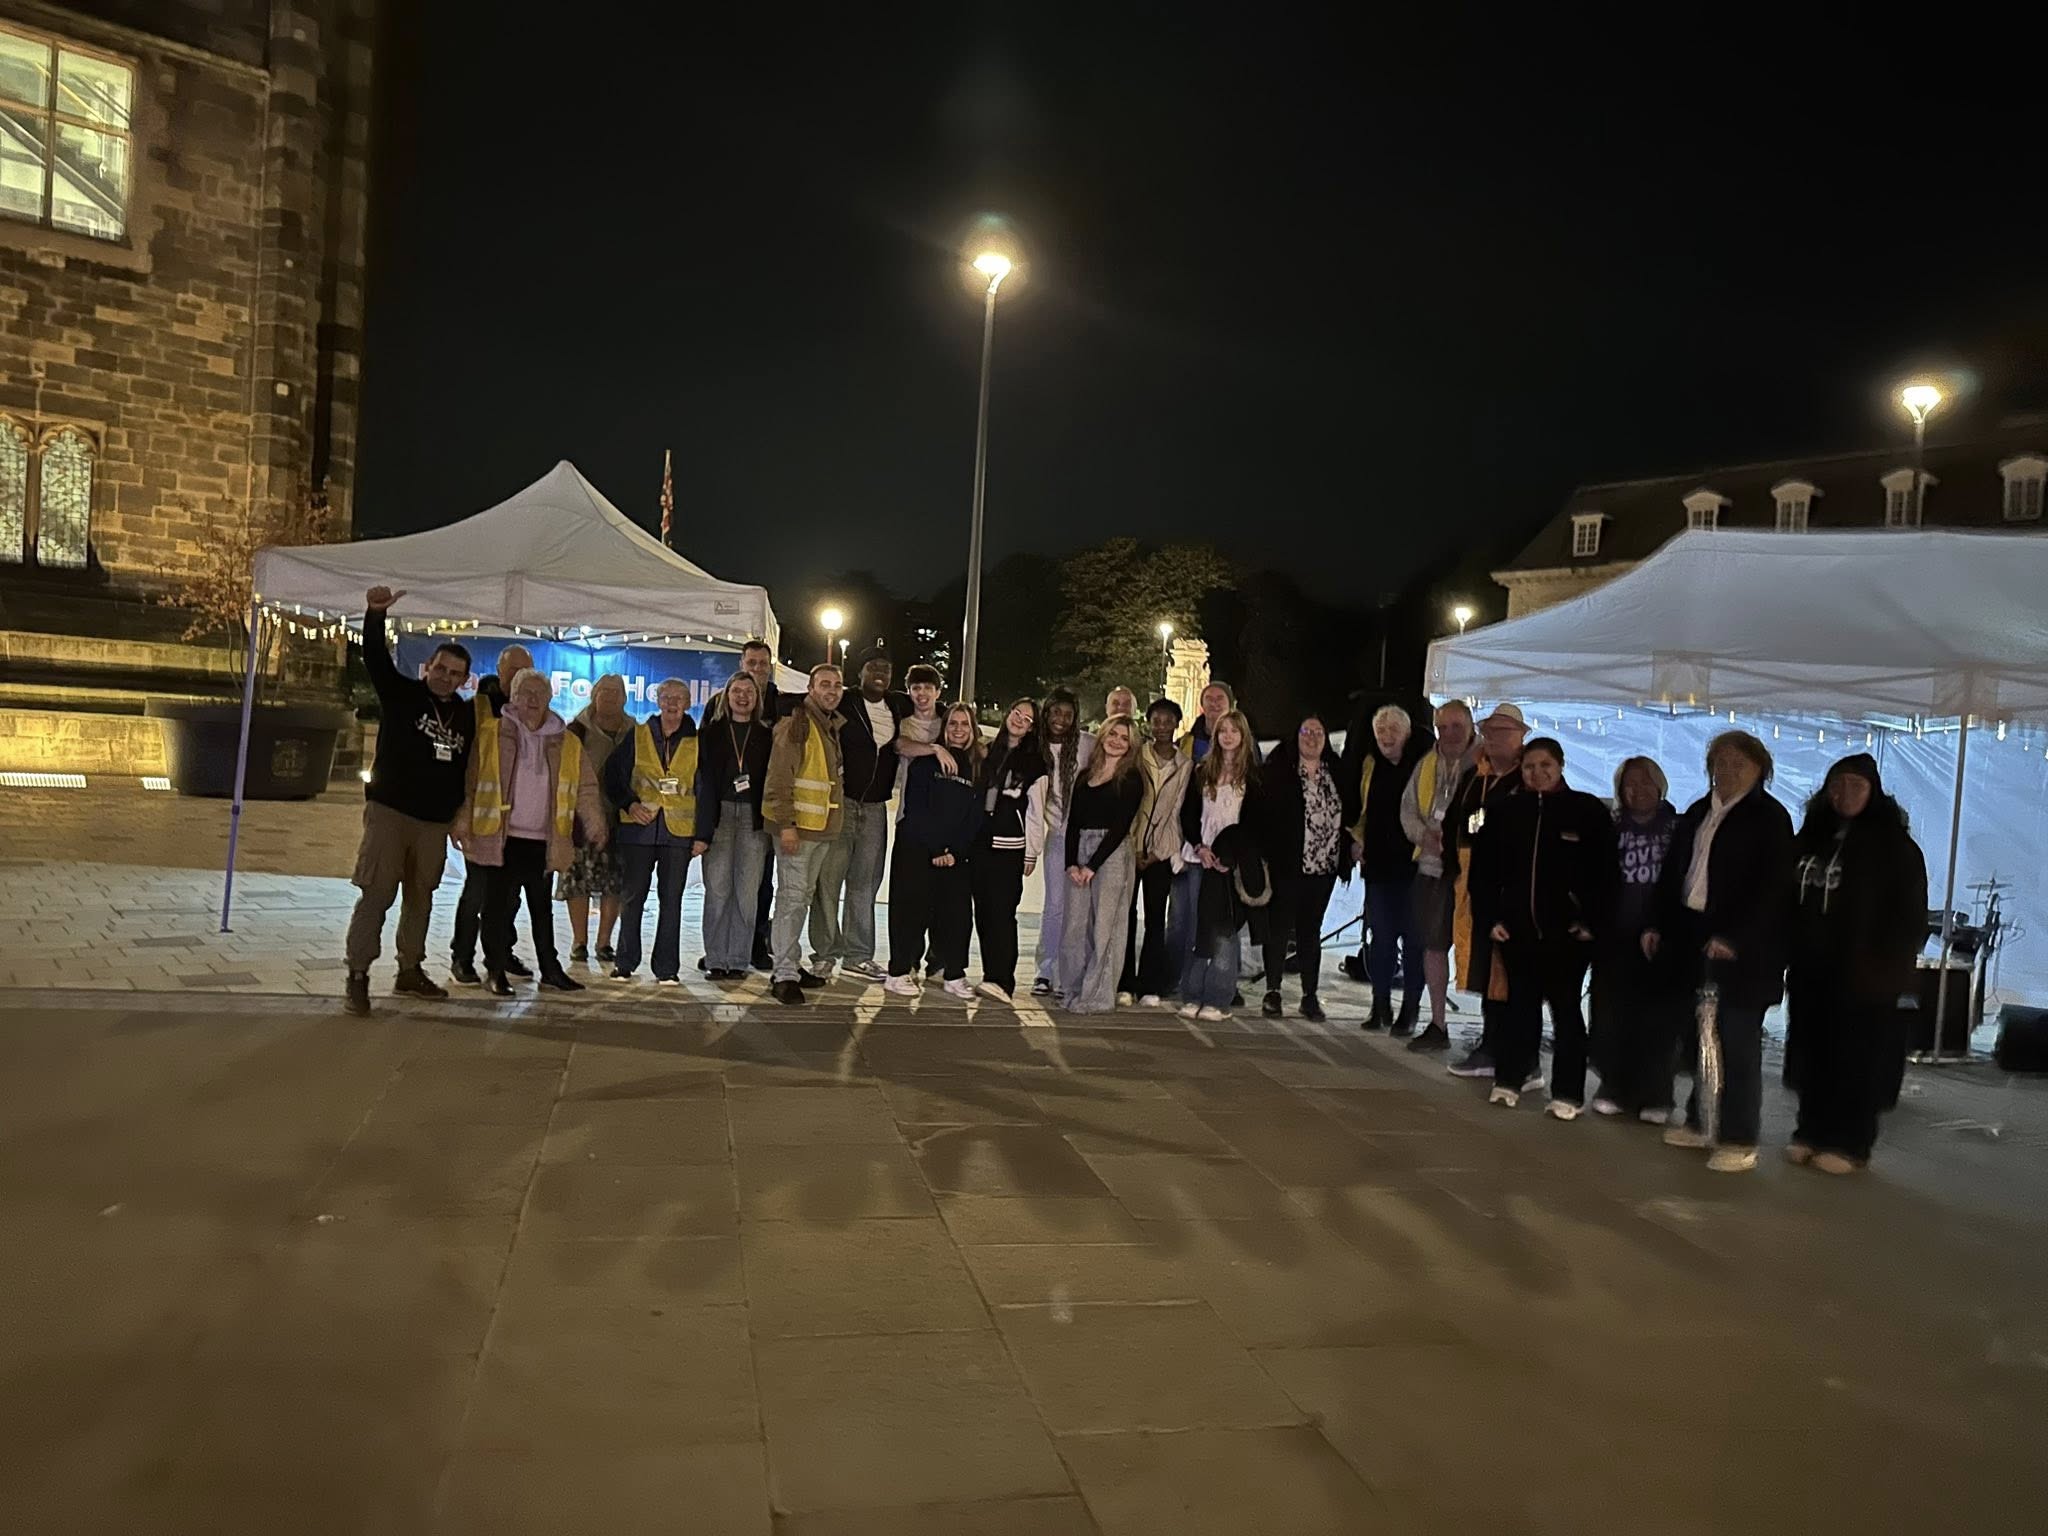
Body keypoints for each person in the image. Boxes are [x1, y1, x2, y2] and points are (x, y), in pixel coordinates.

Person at [1644, 730, 1795, 1174]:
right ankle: (1700, 1120)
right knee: (1700, 1039)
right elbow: (1675, 874)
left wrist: (1736, 937)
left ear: (1759, 769)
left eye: (1738, 764)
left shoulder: (1769, 818)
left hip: (1746, 952)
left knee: (1737, 1039)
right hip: (1694, 935)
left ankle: (1739, 1135)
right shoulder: (1697, 812)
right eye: (1720, 762)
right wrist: (1657, 922)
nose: (1727, 771)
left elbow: (1772, 891)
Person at [1784, 753, 1928, 1174]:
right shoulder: (1811, 837)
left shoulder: (1896, 849)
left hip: (1865, 979)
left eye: (1855, 786)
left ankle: (1850, 1142)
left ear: (1873, 792)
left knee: (1856, 1060)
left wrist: (1884, 965)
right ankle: (1809, 1131)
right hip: (1812, 971)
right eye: (1837, 785)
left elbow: (1910, 917)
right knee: (1812, 1054)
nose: (1844, 794)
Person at [342, 586, 475, 1017]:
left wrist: (461, 814)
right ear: (428, 666)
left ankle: (410, 970)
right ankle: (358, 974)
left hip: (433, 824)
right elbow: (375, 658)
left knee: (421, 897)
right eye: (441, 668)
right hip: (390, 814)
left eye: (456, 674)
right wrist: (375, 613)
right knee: (377, 894)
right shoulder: (401, 694)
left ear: (464, 680)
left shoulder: (466, 715)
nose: (446, 677)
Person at [1471, 737, 1615, 1113]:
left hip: (1566, 936)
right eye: (1530, 766)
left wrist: (1590, 922)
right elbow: (1483, 873)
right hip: (1516, 931)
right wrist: (1491, 919)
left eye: (1545, 766)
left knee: (1567, 1012)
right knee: (1519, 1008)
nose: (1538, 773)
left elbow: (1606, 873)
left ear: (1561, 766)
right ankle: (1509, 1079)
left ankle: (1568, 1093)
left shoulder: (1586, 811)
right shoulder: (1504, 811)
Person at [453, 666, 606, 996]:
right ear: (513, 697)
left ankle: (550, 969)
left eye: (541, 694)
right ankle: (495, 970)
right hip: (500, 836)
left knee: (542, 908)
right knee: (497, 907)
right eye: (526, 693)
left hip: (545, 839)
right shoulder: (492, 733)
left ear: (551, 698)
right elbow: (471, 781)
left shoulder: (567, 741)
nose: (533, 700)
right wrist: (463, 818)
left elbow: (586, 788)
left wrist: (594, 820)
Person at [1588, 757, 1681, 1121]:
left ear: (1660, 786)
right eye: (1629, 784)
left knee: (1658, 1019)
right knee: (1613, 1016)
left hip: (1662, 939)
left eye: (1645, 783)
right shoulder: (1609, 828)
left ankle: (1657, 1094)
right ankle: (1615, 1085)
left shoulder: (1678, 828)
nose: (1637, 790)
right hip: (1616, 936)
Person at [807, 650, 907, 982]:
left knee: (865, 885)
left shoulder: (897, 705)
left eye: (886, 669)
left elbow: (932, 710)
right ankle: (823, 953)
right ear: (860, 673)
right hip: (843, 804)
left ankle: (858, 955)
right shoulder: (846, 701)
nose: (880, 673)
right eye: (873, 668)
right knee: (828, 882)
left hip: (876, 808)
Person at [1442, 701, 1529, 1082]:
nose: (1494, 738)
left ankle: (1508, 1050)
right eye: (1490, 731)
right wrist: (1450, 861)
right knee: (1482, 965)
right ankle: (1495, 1043)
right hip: (1473, 884)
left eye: (1503, 732)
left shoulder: (1527, 777)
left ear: (1520, 736)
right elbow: (1454, 822)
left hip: (1514, 888)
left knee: (1506, 968)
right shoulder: (1474, 775)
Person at [1256, 714, 1353, 1024]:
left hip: (1323, 866)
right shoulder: (1280, 770)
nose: (1312, 737)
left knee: (1311, 931)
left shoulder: (1335, 771)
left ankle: (1310, 996)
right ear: (1295, 736)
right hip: (1288, 864)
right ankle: (1273, 991)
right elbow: (1266, 815)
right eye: (1306, 731)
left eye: (1318, 732)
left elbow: (1349, 813)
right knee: (1280, 928)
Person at [887, 703, 987, 999]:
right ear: (944, 729)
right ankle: (899, 972)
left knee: (957, 916)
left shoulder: (977, 768)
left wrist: (954, 851)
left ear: (973, 729)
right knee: (911, 913)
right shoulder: (926, 762)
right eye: (953, 724)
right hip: (917, 848)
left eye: (964, 724)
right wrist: (935, 847)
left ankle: (953, 974)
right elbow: (916, 809)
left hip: (955, 856)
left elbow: (975, 816)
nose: (958, 729)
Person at [449, 640, 534, 986]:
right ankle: (462, 956)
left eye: (524, 672)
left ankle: (500, 952)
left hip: (518, 825)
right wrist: (461, 814)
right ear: (499, 672)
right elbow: (461, 767)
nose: (518, 678)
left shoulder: (532, 712)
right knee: (478, 892)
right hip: (483, 820)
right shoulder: (476, 710)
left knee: (509, 896)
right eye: (512, 671)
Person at [604, 678, 699, 986]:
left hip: (678, 834)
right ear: (657, 701)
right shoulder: (639, 735)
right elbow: (612, 776)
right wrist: (629, 805)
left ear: (687, 703)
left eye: (679, 698)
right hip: (639, 832)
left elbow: (705, 790)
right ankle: (625, 962)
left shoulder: (697, 741)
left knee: (672, 902)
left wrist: (703, 834)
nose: (672, 703)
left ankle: (667, 969)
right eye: (666, 697)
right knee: (632, 899)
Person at [1344, 703, 1431, 1033]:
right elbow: (1364, 809)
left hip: (1414, 868)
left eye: (1393, 729)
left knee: (1414, 941)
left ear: (1407, 733)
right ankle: (1379, 1006)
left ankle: (1409, 1011)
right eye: (1381, 730)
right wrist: (1358, 838)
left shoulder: (1423, 765)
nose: (1386, 736)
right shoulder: (1371, 764)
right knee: (1380, 939)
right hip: (1379, 868)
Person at [763, 664, 847, 1005]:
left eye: (837, 685)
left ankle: (790, 966)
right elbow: (779, 776)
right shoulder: (798, 723)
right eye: (824, 684)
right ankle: (783, 973)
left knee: (801, 897)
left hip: (819, 830)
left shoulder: (827, 725)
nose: (832, 690)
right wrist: (786, 825)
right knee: (791, 899)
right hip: (798, 829)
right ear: (810, 688)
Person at [1397, 700, 1475, 1052]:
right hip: (1431, 868)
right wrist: (1422, 835)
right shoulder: (1427, 764)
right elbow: (1408, 809)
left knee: (1480, 950)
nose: (1449, 734)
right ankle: (1438, 1021)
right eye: (1443, 727)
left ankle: (1493, 1031)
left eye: (1457, 726)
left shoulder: (1484, 764)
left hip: (1473, 871)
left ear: (1471, 727)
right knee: (1433, 944)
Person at [1059, 714, 1146, 1013]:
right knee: (1074, 926)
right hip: (1081, 848)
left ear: (1131, 745)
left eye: (1124, 738)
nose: (1117, 741)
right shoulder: (1086, 775)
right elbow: (1073, 823)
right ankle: (1073, 988)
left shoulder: (1132, 778)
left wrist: (1092, 866)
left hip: (1111, 855)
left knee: (1106, 928)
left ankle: (1097, 996)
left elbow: (1121, 826)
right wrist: (1072, 863)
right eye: (1113, 734)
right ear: (1103, 735)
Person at [691, 672, 774, 980]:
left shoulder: (767, 735)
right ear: (726, 696)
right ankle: (715, 958)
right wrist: (701, 828)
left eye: (748, 691)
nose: (742, 696)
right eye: (736, 691)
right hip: (720, 817)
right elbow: (701, 782)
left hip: (754, 820)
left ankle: (738, 960)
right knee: (717, 892)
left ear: (757, 698)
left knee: (747, 893)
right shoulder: (710, 733)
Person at [1178, 709, 1259, 1020]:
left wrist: (1232, 857)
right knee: (1199, 924)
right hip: (1202, 857)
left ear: (1243, 736)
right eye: (1223, 730)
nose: (1228, 735)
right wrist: (1200, 847)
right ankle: (1192, 991)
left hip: (1231, 862)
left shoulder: (1251, 777)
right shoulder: (1202, 772)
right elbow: (1188, 814)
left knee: (1225, 928)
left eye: (1234, 731)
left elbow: (1253, 823)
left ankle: (1220, 996)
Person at [971, 698, 1046, 1002]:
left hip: (1009, 846)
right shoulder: (988, 751)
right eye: (1017, 713)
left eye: (1027, 719)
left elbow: (1036, 809)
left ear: (1032, 729)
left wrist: (1032, 850)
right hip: (980, 843)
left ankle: (1003, 979)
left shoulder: (1035, 763)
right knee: (984, 912)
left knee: (1002, 913)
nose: (1019, 720)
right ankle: (990, 974)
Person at [557, 674, 631, 968]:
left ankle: (604, 942)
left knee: (615, 883)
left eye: (616, 693)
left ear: (625, 698)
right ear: (594, 695)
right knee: (579, 882)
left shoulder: (635, 732)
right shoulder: (575, 730)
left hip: (621, 820)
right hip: (580, 820)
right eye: (605, 692)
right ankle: (579, 942)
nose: (610, 698)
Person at [1026, 688, 1095, 997]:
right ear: (1047, 713)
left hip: (1083, 834)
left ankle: (1070, 969)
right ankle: (1046, 969)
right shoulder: (1034, 747)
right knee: (1055, 905)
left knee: (1079, 906)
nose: (1061, 720)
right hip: (1056, 833)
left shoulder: (1085, 745)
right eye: (1056, 712)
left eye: (1068, 715)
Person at [1127, 698, 1193, 1006]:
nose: (1162, 727)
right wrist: (1132, 845)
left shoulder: (1184, 765)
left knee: (1156, 919)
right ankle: (1124, 981)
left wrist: (1158, 851)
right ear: (1149, 723)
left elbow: (1177, 811)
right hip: (1129, 846)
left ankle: (1149, 985)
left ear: (1177, 724)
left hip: (1161, 852)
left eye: (1168, 721)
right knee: (1124, 917)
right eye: (1157, 720)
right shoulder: (1136, 756)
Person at [1180, 682, 1235, 760]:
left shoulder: (1245, 741)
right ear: (1202, 705)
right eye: (1209, 699)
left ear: (1230, 705)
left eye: (1220, 698)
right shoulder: (1185, 743)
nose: (1214, 703)